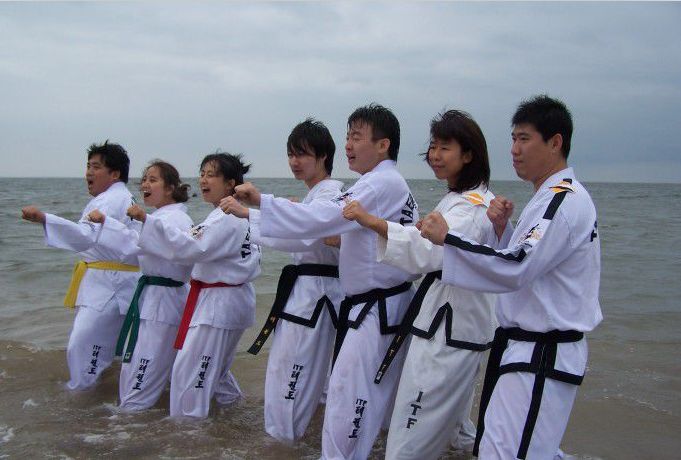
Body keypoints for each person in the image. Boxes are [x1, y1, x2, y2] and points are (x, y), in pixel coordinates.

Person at [224, 104, 419, 459]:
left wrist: (260, 204)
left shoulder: (378, 183)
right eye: (347, 136)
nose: (349, 145)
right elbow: (324, 228)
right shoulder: (382, 183)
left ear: (383, 145)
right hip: (375, 303)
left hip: (371, 304)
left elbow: (321, 221)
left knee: (349, 397)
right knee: (352, 394)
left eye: (356, 137)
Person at [420, 95, 602, 459]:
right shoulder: (548, 197)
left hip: (542, 353)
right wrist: (504, 230)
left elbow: (518, 267)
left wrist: (449, 239)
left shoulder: (562, 200)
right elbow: (531, 264)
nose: (515, 150)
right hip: (526, 350)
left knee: (508, 453)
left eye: (524, 139)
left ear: (555, 142)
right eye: (513, 139)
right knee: (496, 449)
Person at [342, 109, 497, 459]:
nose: (435, 155)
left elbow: (430, 251)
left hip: (448, 331)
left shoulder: (472, 207)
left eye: (445, 147)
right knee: (455, 430)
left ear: (468, 154)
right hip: (452, 326)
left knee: (409, 437)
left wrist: (372, 222)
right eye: (433, 146)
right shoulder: (458, 199)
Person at [222, 119, 345, 442]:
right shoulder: (317, 196)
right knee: (295, 373)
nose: (294, 161)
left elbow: (305, 232)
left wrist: (252, 210)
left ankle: (281, 443)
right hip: (309, 291)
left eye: (302, 154)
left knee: (289, 372)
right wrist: (259, 213)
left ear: (323, 156)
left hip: (315, 295)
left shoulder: (331, 194)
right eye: (291, 154)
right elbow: (298, 230)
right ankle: (288, 439)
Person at [137, 152, 260, 418]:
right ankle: (234, 418)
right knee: (215, 373)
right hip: (229, 300)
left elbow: (191, 246)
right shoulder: (230, 214)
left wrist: (148, 222)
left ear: (230, 183)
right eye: (202, 174)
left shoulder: (227, 216)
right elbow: (193, 241)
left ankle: (188, 433)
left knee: (189, 375)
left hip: (219, 304)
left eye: (211, 175)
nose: (203, 180)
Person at [21, 141, 140, 390]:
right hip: (114, 283)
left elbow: (84, 236)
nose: (88, 173)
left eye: (95, 167)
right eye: (88, 166)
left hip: (110, 285)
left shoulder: (109, 201)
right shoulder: (118, 197)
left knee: (82, 344)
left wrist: (45, 218)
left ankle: (81, 394)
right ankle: (97, 393)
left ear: (114, 173)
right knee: (99, 346)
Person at [87, 160, 194, 411]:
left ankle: (132, 418)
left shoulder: (176, 218)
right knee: (144, 362)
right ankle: (137, 415)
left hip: (165, 300)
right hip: (155, 296)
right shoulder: (162, 216)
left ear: (170, 188)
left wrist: (113, 222)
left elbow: (176, 248)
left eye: (153, 180)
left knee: (145, 366)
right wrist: (107, 223)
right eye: (144, 179)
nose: (145, 184)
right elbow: (134, 243)